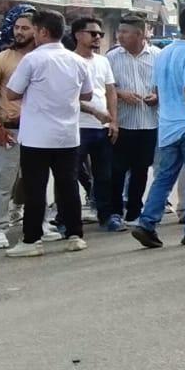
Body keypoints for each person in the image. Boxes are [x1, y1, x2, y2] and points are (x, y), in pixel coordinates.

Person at [3, 10, 93, 256]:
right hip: (67, 135)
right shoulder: (77, 61)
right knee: (68, 187)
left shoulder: (32, 60)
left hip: (37, 136)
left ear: (42, 32)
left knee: (35, 188)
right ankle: (75, 235)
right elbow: (87, 95)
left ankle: (32, 240)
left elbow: (11, 93)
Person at [131, 5, 185, 249]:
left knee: (164, 178)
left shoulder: (165, 53)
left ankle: (147, 223)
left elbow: (158, 90)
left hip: (167, 126)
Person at [0, 7, 35, 249]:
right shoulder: (1, 59)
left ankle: (39, 224)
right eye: (17, 28)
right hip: (11, 129)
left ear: (39, 30)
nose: (19, 32)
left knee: (36, 180)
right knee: (3, 181)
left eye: (25, 28)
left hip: (42, 131)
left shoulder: (47, 57)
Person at [106, 16, 160, 225]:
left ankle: (135, 211)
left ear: (139, 34)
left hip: (148, 122)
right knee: (117, 169)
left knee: (141, 168)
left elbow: (165, 84)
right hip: (122, 123)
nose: (120, 36)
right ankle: (115, 211)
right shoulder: (112, 58)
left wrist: (157, 97)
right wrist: (120, 94)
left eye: (125, 32)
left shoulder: (158, 56)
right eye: (119, 31)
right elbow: (104, 86)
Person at [70, 17, 120, 231]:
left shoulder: (103, 61)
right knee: (69, 176)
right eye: (93, 33)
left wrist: (114, 121)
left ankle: (106, 216)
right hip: (77, 126)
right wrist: (94, 111)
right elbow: (68, 95)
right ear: (78, 35)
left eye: (100, 34)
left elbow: (110, 92)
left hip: (103, 128)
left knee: (104, 176)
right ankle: (67, 220)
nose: (97, 38)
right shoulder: (68, 60)